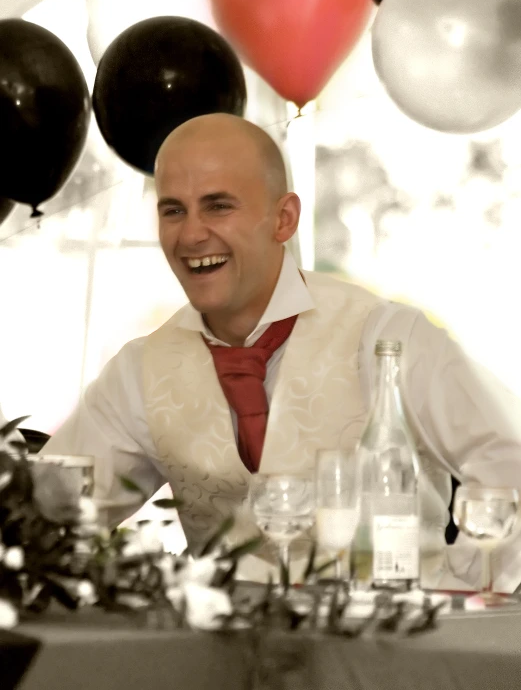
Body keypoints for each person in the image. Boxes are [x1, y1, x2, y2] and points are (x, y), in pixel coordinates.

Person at [45, 113, 521, 590]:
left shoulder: (390, 339)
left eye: (217, 207)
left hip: (399, 652)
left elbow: (509, 459)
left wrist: (460, 591)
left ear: (284, 219)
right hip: (223, 658)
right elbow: (46, 514)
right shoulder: (138, 372)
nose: (191, 235)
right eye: (173, 210)